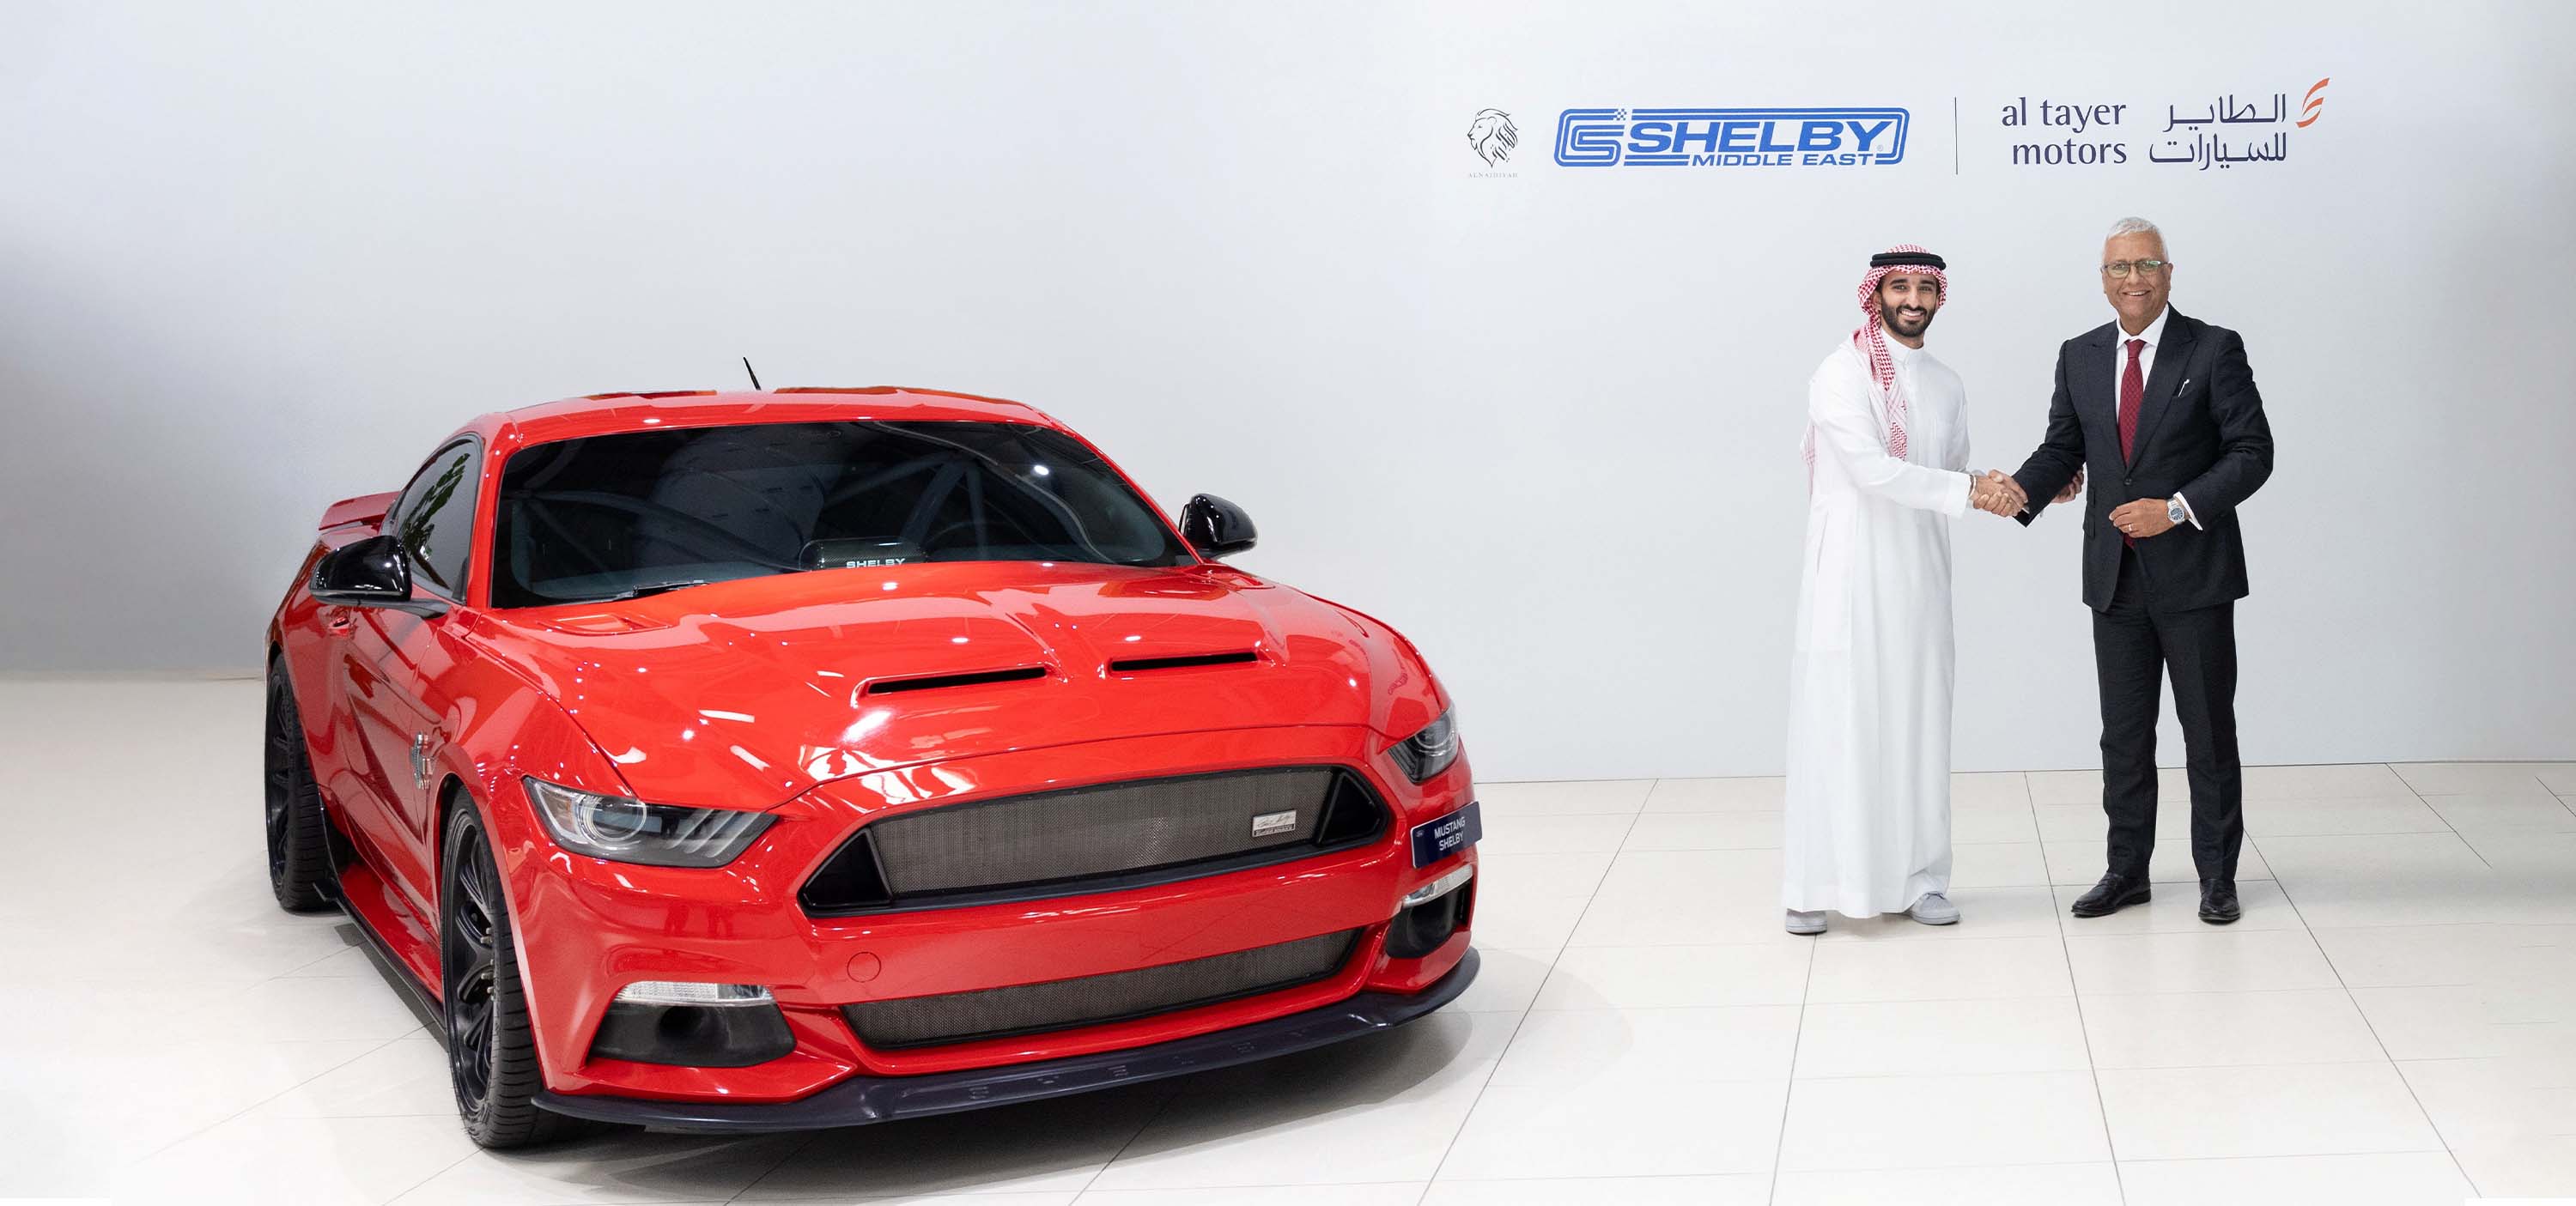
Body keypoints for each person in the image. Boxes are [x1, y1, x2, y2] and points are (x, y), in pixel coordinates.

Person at [1987, 216, 2275, 924]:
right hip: (2113, 577)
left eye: (2147, 264)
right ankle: (2126, 871)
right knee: (2123, 735)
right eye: (2120, 267)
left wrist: (2175, 509)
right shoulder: (2079, 355)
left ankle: (2217, 877)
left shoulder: (2213, 348)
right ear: (2103, 279)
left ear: (2169, 273)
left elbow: (2252, 452)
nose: (2134, 278)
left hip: (2195, 575)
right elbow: (2064, 447)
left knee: (2207, 730)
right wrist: (2019, 491)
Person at [1783, 245, 2035, 935]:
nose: (1913, 300)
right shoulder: (1840, 372)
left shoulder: (1947, 384)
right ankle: (1813, 884)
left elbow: (1950, 473)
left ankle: (1922, 880)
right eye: (1899, 286)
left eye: (1925, 288)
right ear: (1876, 294)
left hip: (1921, 578)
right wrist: (1972, 489)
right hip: (1849, 577)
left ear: (1939, 296)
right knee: (1840, 721)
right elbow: (1874, 469)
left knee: (1920, 724)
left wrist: (2021, 490)